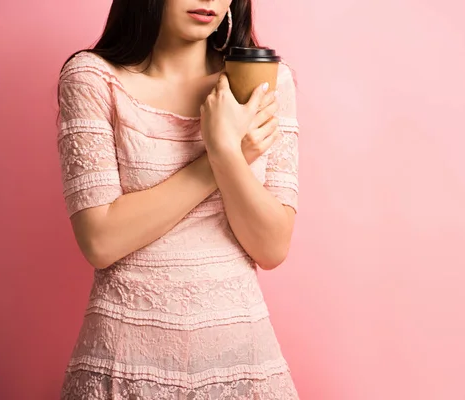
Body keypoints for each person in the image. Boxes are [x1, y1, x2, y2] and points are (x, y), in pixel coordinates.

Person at [56, 0, 300, 398]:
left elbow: (271, 247)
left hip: (243, 368)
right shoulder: (93, 78)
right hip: (123, 367)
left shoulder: (268, 80)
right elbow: (100, 241)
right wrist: (221, 152)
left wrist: (226, 154)